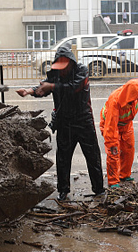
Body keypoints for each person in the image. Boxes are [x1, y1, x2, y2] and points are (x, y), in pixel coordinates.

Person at [16, 46, 105, 201]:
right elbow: (45, 86)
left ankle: (99, 189)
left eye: (64, 67)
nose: (62, 71)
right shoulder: (55, 75)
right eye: (59, 67)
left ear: (71, 63)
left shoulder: (81, 71)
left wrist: (52, 86)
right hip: (64, 122)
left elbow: (74, 88)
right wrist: (30, 91)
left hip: (84, 121)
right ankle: (63, 190)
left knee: (92, 156)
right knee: (63, 158)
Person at [99, 76, 138, 188]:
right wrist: (112, 145)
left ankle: (124, 175)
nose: (136, 100)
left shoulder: (137, 91)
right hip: (111, 125)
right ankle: (113, 180)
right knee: (114, 152)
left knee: (128, 149)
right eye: (133, 99)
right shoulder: (115, 102)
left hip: (126, 125)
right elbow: (110, 129)